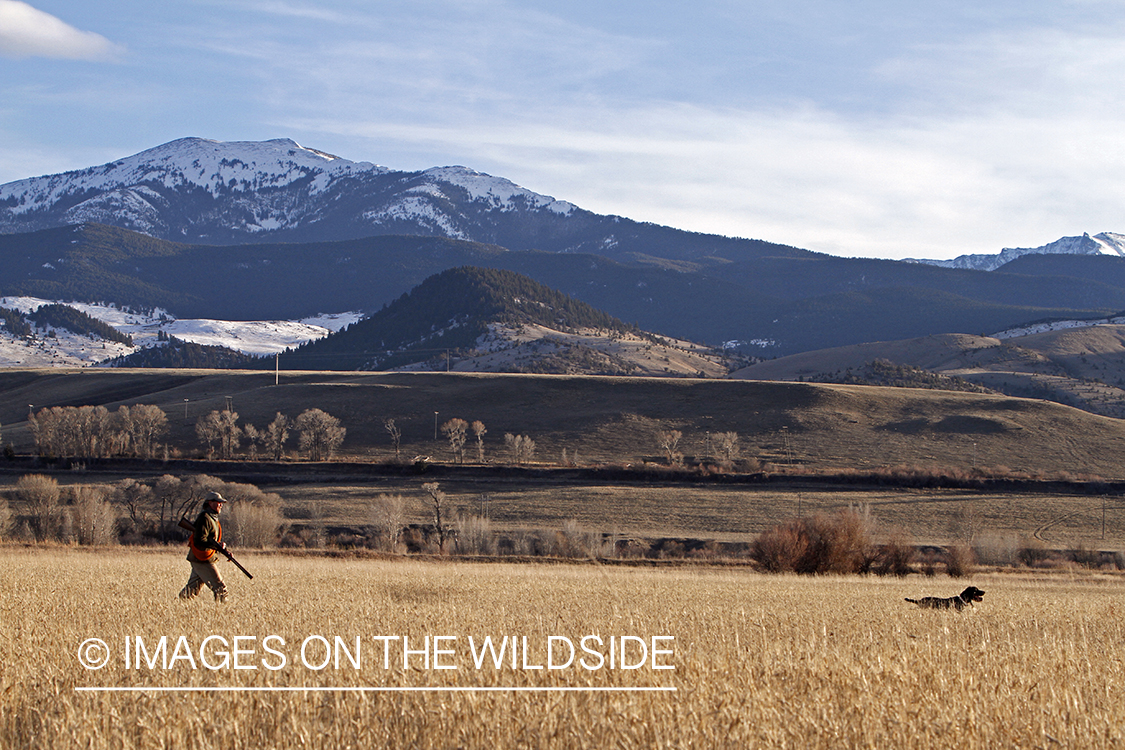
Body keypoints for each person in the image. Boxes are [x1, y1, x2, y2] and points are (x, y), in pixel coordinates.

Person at [179, 491, 230, 603]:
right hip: (203, 559)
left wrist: (222, 548)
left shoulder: (212, 518)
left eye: (221, 503)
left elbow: (208, 539)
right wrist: (216, 546)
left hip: (201, 558)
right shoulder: (205, 518)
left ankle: (177, 607)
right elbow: (199, 540)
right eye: (218, 502)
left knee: (191, 590)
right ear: (210, 503)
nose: (221, 505)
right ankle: (223, 613)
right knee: (221, 589)